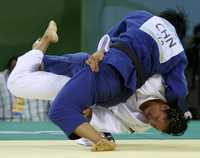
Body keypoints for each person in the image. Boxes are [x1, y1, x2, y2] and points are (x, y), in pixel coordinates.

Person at [8, 10, 190, 151]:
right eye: (156, 118)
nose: (150, 120)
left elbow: (111, 36)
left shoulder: (142, 17)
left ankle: (41, 52)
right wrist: (179, 106)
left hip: (102, 70)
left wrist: (100, 52)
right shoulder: (162, 79)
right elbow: (179, 90)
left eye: (154, 125)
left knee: (16, 84)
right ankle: (42, 53)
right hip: (109, 75)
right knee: (34, 89)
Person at [0, 56, 50, 121]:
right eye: (15, 69)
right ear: (9, 70)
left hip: (40, 125)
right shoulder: (2, 80)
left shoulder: (43, 79)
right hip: (10, 127)